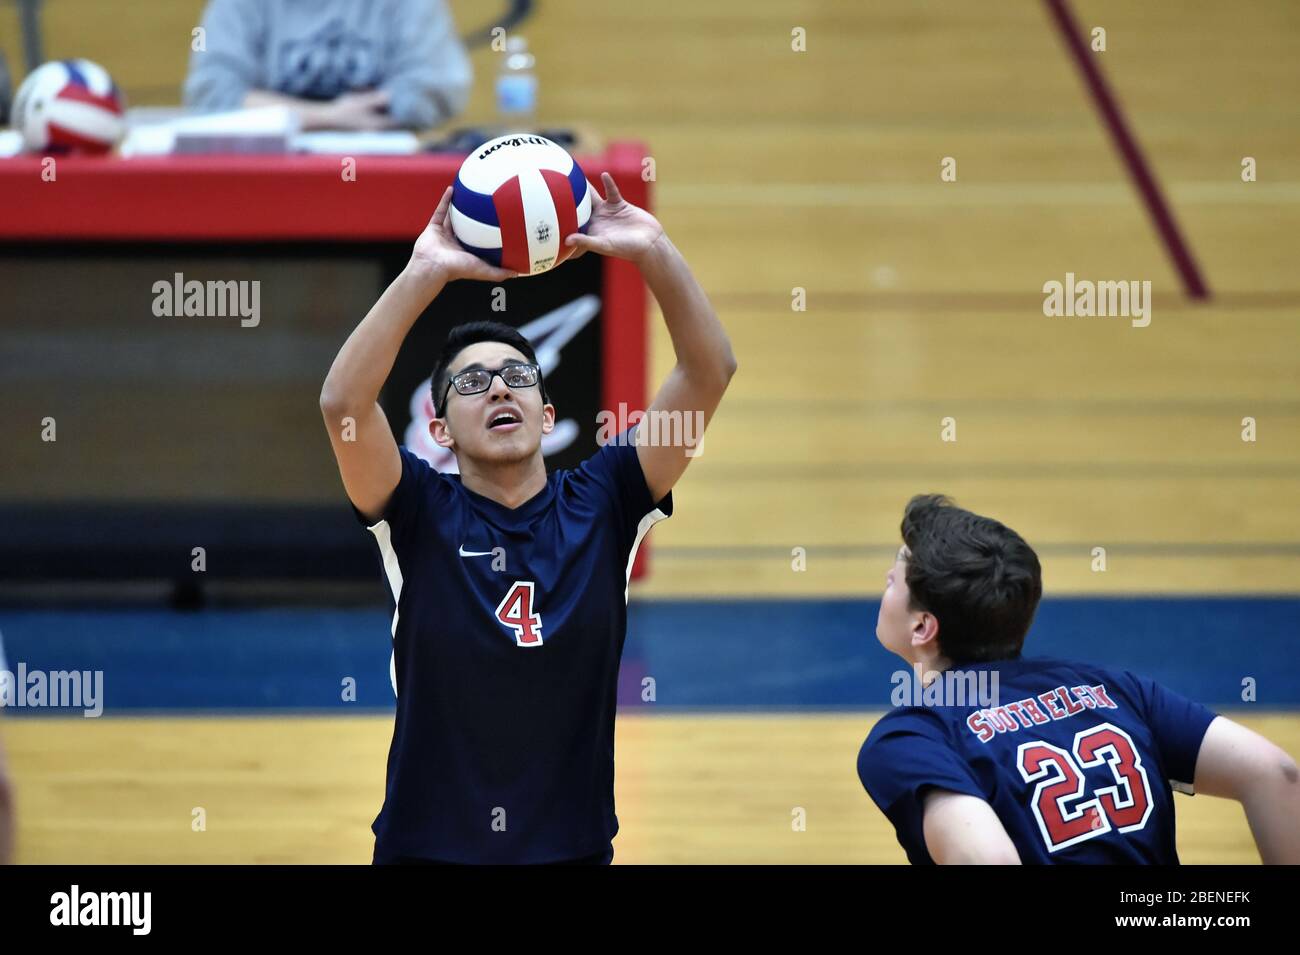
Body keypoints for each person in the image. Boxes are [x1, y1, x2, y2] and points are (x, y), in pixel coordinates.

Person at [319, 173, 736, 863]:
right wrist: (427, 271)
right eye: (471, 383)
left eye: (518, 376)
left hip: (568, 853)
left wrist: (653, 248)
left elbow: (709, 370)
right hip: (426, 853)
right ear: (441, 428)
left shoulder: (606, 501)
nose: (500, 388)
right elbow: (343, 406)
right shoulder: (418, 511)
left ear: (547, 415)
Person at [857, 494, 1300, 864]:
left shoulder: (911, 738)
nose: (885, 578)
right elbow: (1275, 773)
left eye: (894, 578)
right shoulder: (1114, 689)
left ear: (922, 628)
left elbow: (986, 860)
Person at [184, 0, 471, 130]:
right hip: (267, 172)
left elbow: (436, 85)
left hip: (380, 166)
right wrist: (329, 116)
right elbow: (212, 93)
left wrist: (394, 103)